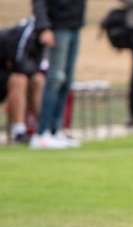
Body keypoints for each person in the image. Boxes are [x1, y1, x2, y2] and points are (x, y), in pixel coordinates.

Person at [30, 0, 86, 149]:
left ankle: (55, 130)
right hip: (57, 26)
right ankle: (43, 132)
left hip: (74, 25)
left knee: (67, 81)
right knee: (55, 78)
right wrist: (44, 27)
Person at [0, 16, 45, 144]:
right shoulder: (27, 31)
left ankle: (44, 128)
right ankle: (19, 130)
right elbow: (18, 63)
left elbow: (36, 66)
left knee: (38, 79)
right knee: (19, 79)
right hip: (5, 74)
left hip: (8, 75)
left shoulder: (41, 39)